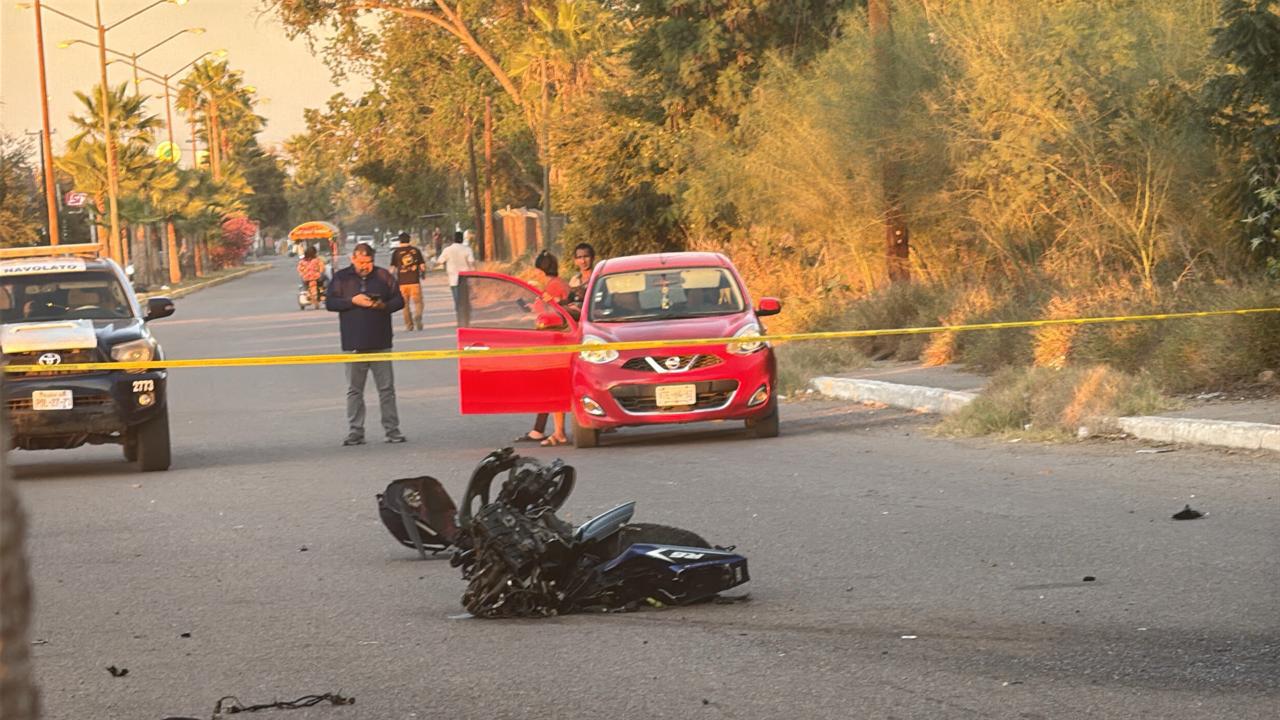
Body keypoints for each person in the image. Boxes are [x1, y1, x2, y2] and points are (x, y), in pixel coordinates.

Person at [325, 243, 407, 446]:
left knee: (386, 389)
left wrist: (383, 306)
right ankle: (355, 432)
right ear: (353, 259)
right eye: (361, 262)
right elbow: (330, 303)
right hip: (353, 344)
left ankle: (392, 431)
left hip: (381, 342)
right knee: (354, 391)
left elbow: (399, 301)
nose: (365, 266)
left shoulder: (383, 276)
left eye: (369, 262)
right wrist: (352, 301)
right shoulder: (341, 278)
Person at [517, 250, 572, 447]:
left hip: (555, 340)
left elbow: (554, 312)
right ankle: (545, 430)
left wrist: (537, 307)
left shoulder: (554, 286)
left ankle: (558, 432)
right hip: (555, 339)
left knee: (553, 386)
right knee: (551, 386)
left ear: (541, 270)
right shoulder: (558, 284)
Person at [435, 229, 476, 324]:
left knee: (458, 301)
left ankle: (460, 320)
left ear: (453, 239)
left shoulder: (447, 250)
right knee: (466, 300)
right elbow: (472, 263)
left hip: (453, 280)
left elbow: (439, 261)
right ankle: (467, 320)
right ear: (462, 239)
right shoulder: (467, 249)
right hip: (465, 279)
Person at [389, 232, 427, 331]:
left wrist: (390, 280)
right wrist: (423, 274)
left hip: (402, 283)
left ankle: (409, 325)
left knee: (405, 305)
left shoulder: (396, 252)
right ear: (409, 240)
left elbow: (392, 268)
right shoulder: (416, 250)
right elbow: (422, 266)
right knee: (418, 302)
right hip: (414, 281)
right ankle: (418, 316)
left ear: (400, 240)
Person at [566, 242, 596, 317]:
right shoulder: (574, 280)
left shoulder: (598, 279)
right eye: (579, 257)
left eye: (586, 256)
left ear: (593, 258)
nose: (583, 261)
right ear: (575, 261)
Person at [296, 245, 326, 310]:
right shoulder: (317, 260)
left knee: (304, 287)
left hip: (306, 278)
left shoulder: (302, 261)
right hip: (317, 277)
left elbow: (299, 269)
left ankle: (305, 293)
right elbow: (322, 268)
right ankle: (321, 293)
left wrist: (302, 274)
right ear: (314, 253)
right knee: (323, 284)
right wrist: (321, 273)